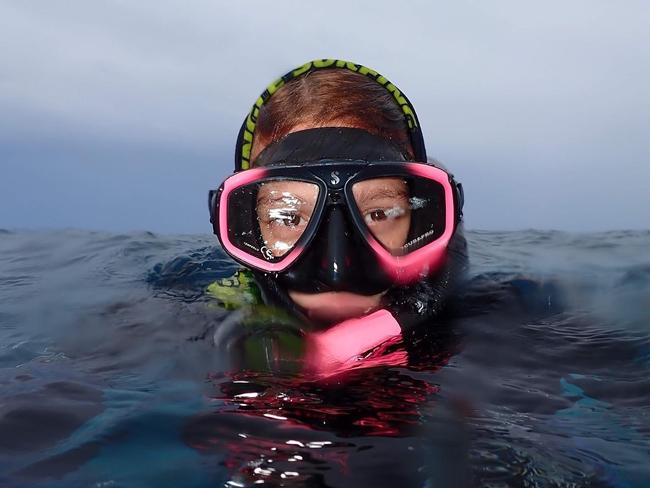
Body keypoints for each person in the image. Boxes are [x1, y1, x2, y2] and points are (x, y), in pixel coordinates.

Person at [207, 59, 468, 375]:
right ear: (246, 227)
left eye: (378, 213)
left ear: (423, 219)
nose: (335, 270)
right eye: (288, 217)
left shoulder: (498, 334)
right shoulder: (193, 321)